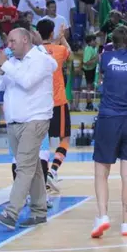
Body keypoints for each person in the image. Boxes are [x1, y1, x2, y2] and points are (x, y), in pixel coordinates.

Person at [0, 28, 58, 229]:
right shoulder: (12, 64)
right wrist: (1, 69)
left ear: (25, 40)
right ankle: (39, 211)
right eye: (8, 42)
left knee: (24, 168)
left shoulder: (40, 60)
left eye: (12, 41)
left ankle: (11, 213)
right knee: (33, 168)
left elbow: (26, 82)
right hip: (15, 123)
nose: (9, 45)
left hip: (34, 120)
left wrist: (6, 64)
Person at [90, 25, 127, 238]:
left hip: (108, 119)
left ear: (113, 41)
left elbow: (98, 79)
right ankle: (126, 223)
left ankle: (103, 216)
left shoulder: (105, 58)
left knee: (101, 172)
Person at [36, 19, 72, 192]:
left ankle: (42, 175)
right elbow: (69, 52)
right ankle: (53, 171)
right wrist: (62, 37)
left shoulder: (34, 52)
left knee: (43, 142)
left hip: (40, 103)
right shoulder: (59, 50)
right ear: (52, 33)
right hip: (58, 101)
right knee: (64, 138)